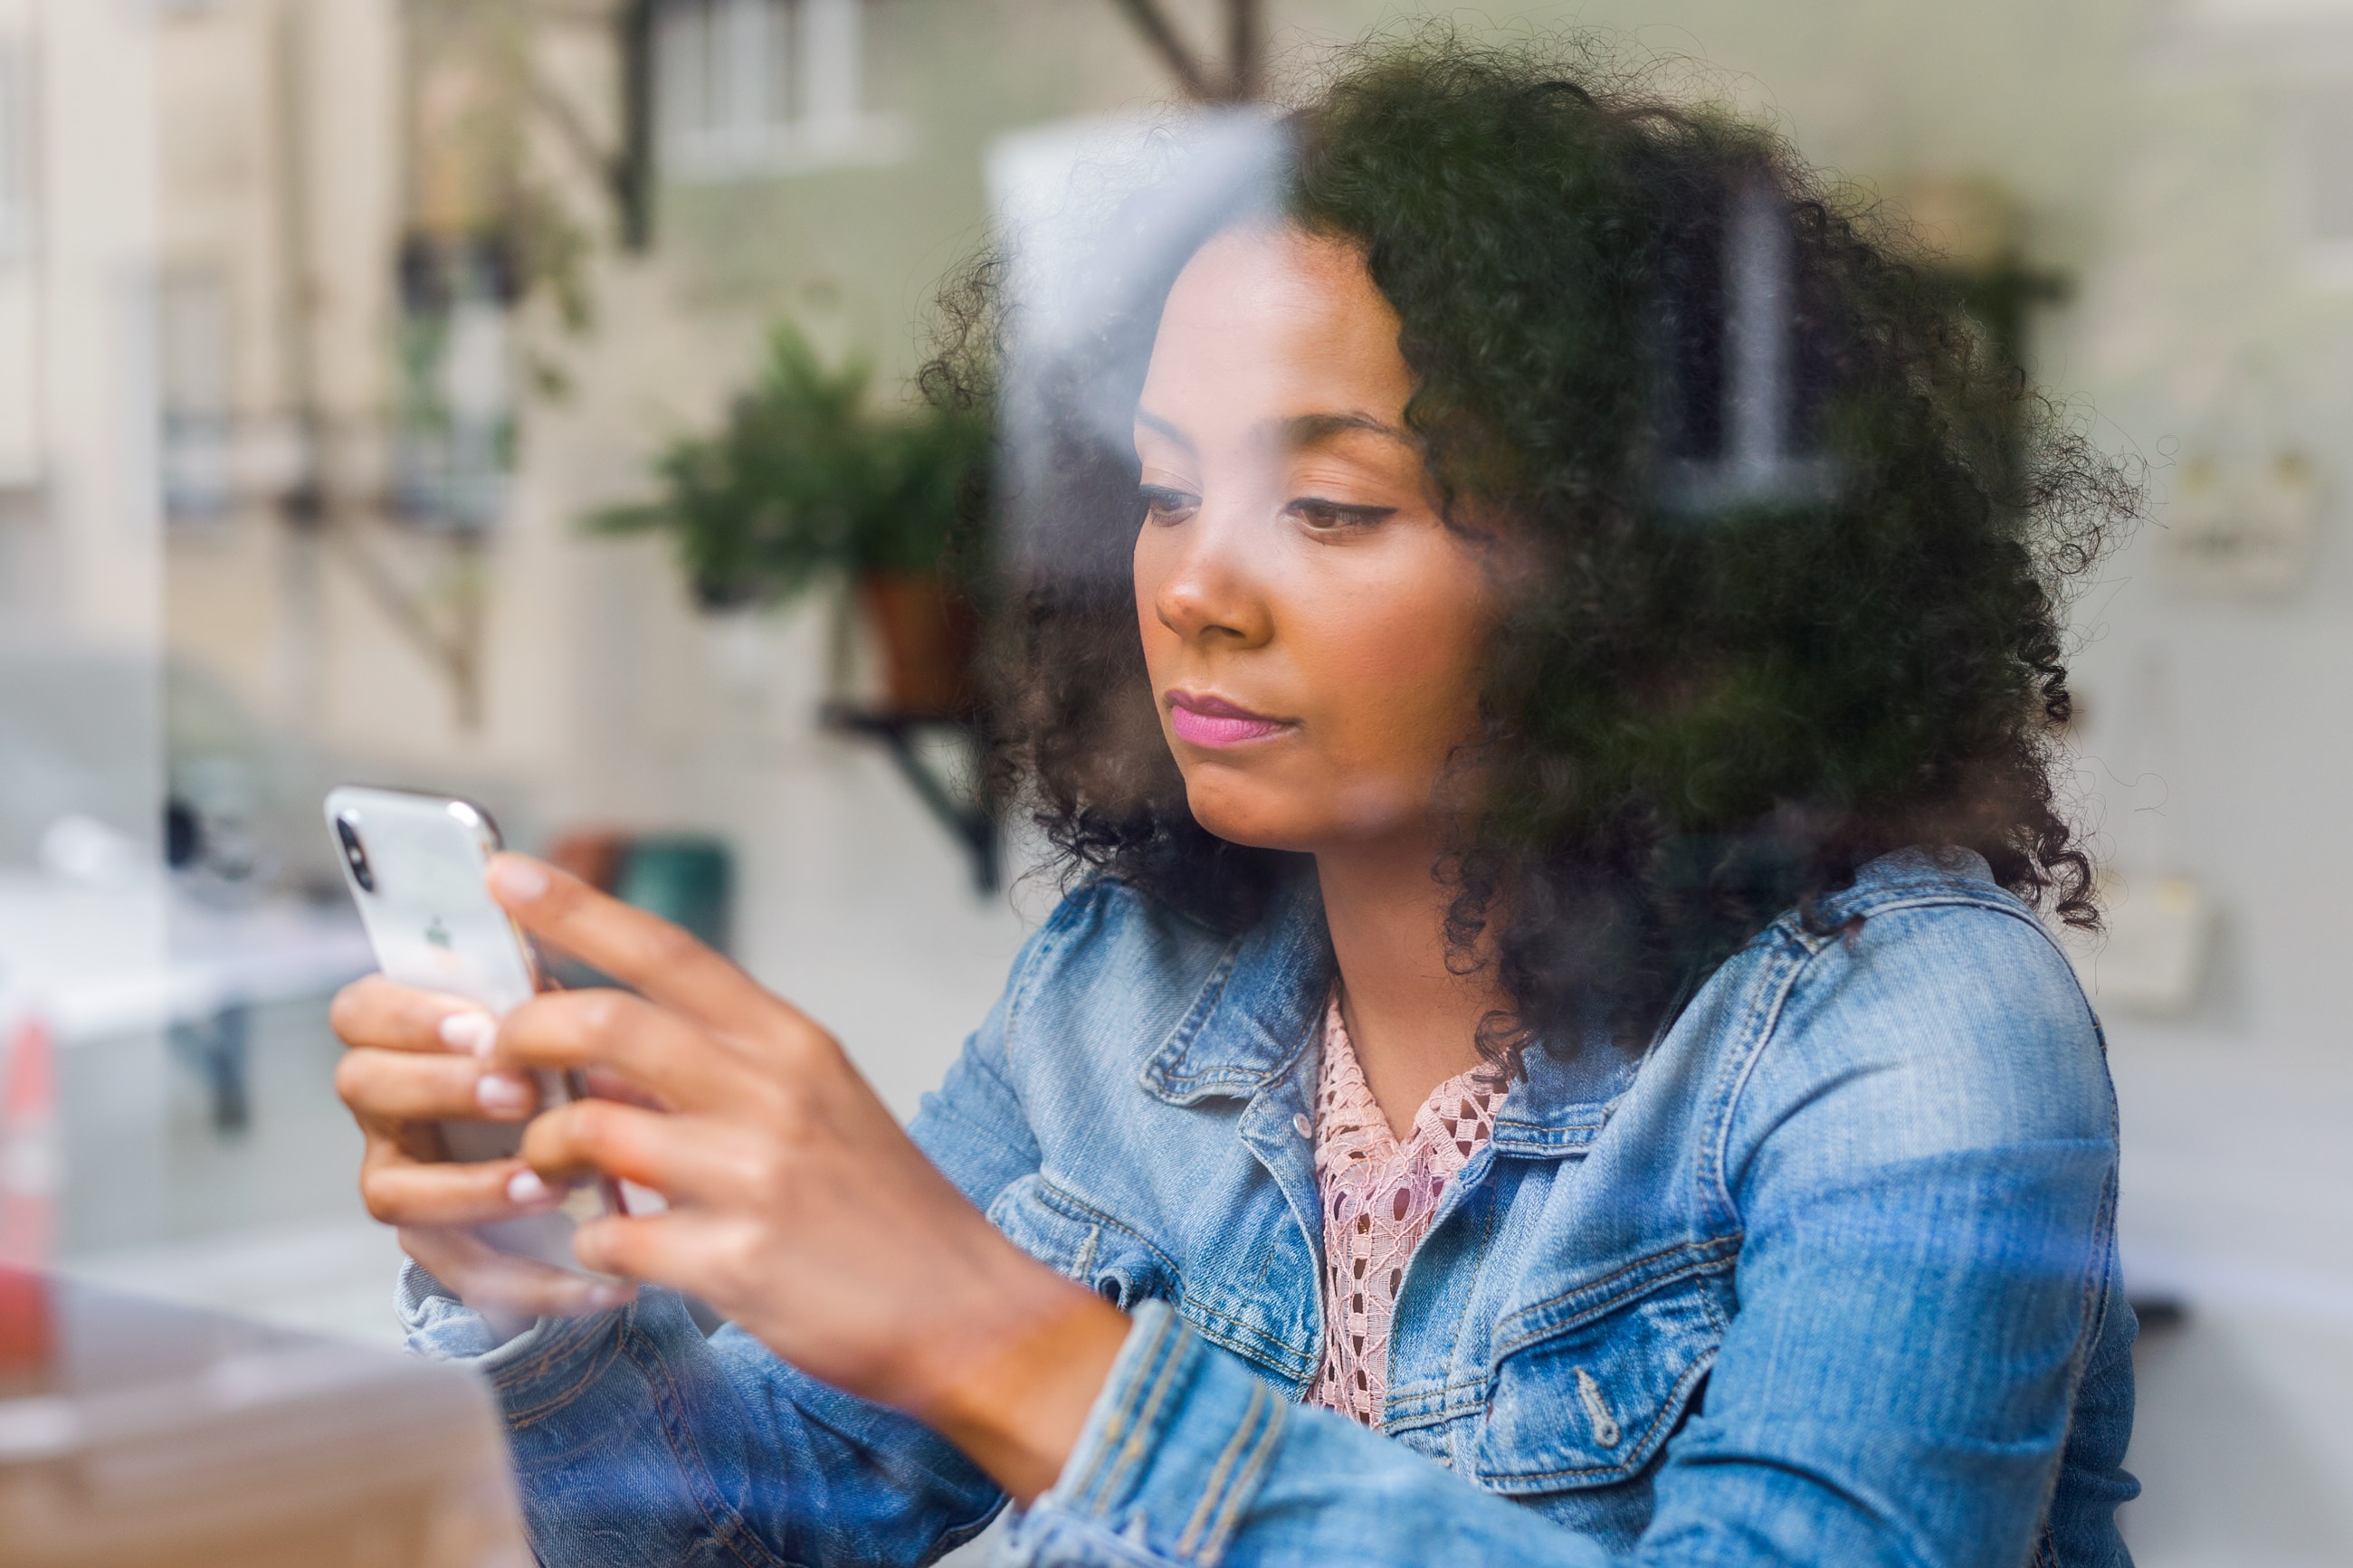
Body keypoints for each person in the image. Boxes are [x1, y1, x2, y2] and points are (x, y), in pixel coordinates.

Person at [331, 33, 2142, 1568]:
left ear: (1630, 574)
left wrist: (1005, 1345)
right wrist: (527, 1271)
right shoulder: (1119, 992)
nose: (1194, 585)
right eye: (1163, 491)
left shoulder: (1909, 1030)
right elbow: (747, 1528)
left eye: (1332, 509)